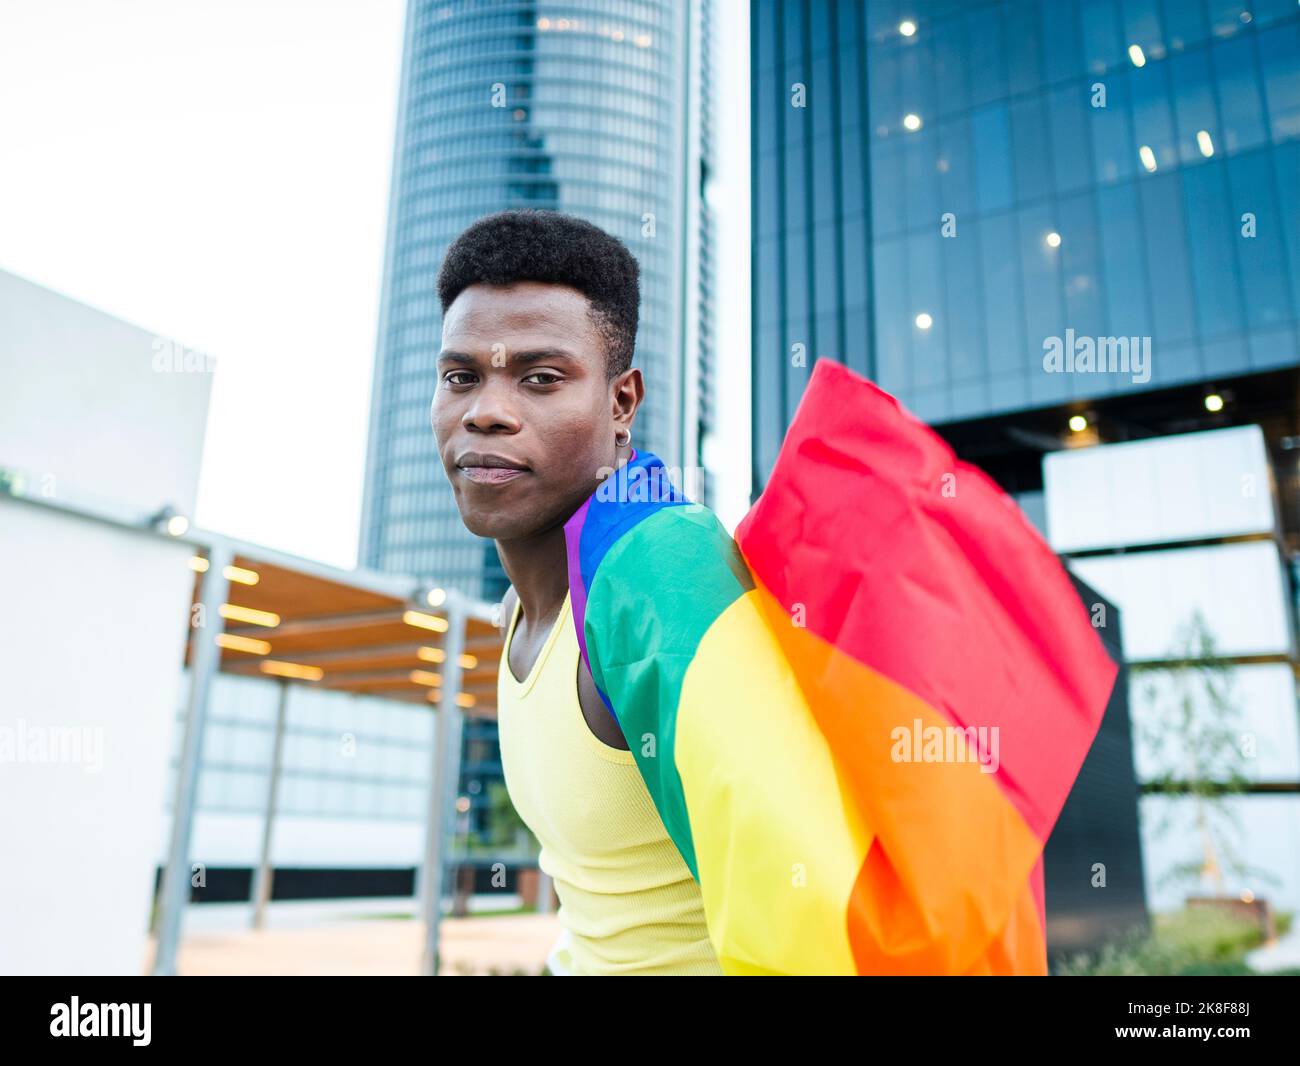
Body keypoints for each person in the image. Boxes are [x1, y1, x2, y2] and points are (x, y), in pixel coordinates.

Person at [430, 208, 724, 976]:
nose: (486, 410)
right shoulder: (518, 613)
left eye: (541, 378)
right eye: (461, 377)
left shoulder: (661, 567)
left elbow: (799, 872)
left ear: (622, 404)